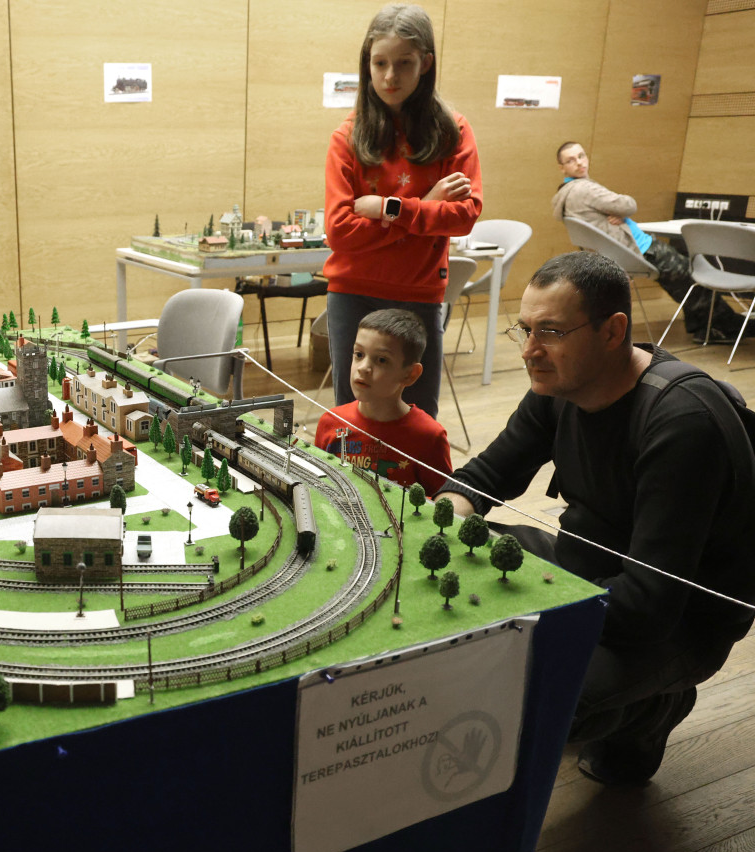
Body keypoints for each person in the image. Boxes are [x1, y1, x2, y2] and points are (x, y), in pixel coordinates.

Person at [435, 251, 755, 785]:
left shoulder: (682, 423)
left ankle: (651, 710)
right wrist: (436, 521)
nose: (530, 351)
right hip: (586, 567)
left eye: (552, 332)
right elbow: (488, 474)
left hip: (679, 623)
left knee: (526, 687)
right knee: (458, 555)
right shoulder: (561, 383)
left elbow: (649, 605)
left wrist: (519, 619)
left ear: (613, 331)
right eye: (526, 330)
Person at [324, 3, 482, 418]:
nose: (390, 76)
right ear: (368, 64)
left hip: (419, 296)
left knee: (417, 419)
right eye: (380, 63)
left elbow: (464, 216)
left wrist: (387, 208)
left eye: (404, 63)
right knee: (353, 419)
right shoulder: (347, 137)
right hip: (353, 294)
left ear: (425, 63)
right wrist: (426, 207)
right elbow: (340, 231)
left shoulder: (453, 131)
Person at [552, 141, 746, 343]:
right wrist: (621, 210)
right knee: (692, 274)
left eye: (581, 156)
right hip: (640, 250)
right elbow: (628, 205)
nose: (579, 162)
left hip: (629, 250)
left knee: (684, 272)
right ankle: (727, 326)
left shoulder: (565, 193)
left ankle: (705, 326)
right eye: (571, 160)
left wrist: (617, 213)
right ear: (562, 167)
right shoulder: (584, 189)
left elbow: (616, 210)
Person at [314, 308, 451, 496]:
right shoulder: (330, 422)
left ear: (410, 374)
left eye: (381, 360)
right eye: (359, 354)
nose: (363, 368)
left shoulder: (429, 437)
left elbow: (444, 502)